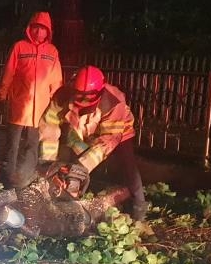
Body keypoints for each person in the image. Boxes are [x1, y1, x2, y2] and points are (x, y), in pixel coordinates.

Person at [37, 65, 147, 221]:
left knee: (129, 168)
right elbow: (48, 126)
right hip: (82, 130)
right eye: (79, 97)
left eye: (88, 99)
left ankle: (138, 211)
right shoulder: (61, 97)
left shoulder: (113, 102)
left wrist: (82, 166)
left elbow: (108, 141)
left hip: (118, 132)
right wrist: (48, 162)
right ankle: (71, 196)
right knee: (71, 160)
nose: (83, 102)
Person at [0, 12, 63, 188]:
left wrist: (56, 102)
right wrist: (3, 92)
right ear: (30, 28)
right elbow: (9, 72)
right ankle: (7, 176)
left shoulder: (52, 52)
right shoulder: (19, 47)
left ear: (48, 31)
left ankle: (27, 175)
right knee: (13, 143)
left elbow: (56, 79)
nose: (39, 32)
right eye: (36, 27)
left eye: (43, 29)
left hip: (40, 107)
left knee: (33, 143)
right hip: (19, 103)